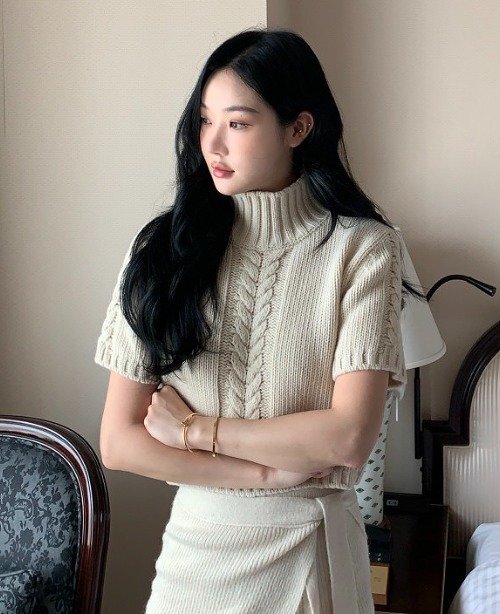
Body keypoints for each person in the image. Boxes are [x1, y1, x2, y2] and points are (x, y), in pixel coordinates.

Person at [95, 27, 426, 614]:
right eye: (205, 121)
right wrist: (265, 476)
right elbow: (120, 442)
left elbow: (349, 437)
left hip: (311, 549)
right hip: (195, 558)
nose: (213, 144)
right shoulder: (162, 250)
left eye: (238, 124)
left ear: (298, 128)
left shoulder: (364, 249)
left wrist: (197, 430)